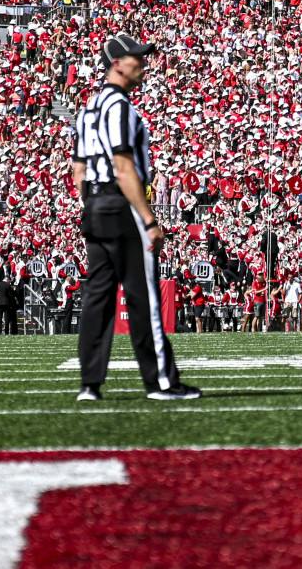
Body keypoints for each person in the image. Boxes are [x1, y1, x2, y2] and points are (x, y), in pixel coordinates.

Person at [69, 32, 198, 402]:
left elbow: (78, 170)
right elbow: (124, 166)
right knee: (144, 299)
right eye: (136, 58)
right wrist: (149, 218)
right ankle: (162, 382)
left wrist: (92, 206)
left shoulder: (89, 108)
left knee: (97, 298)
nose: (143, 64)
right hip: (120, 203)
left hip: (93, 205)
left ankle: (90, 384)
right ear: (116, 64)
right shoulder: (120, 107)